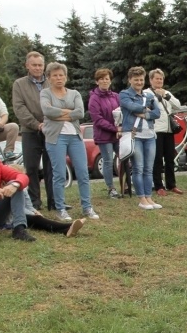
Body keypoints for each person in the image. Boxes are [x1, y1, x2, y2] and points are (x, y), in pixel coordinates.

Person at [40, 62, 100, 221]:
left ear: (66, 77)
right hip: (55, 138)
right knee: (59, 174)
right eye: (55, 75)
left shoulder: (74, 93)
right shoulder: (45, 93)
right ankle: (60, 208)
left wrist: (58, 114)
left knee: (83, 172)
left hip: (75, 137)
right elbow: (47, 111)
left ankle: (87, 207)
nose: (59, 78)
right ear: (49, 78)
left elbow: (80, 113)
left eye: (61, 75)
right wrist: (69, 112)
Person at [13, 51, 55, 211]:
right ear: (27, 66)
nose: (37, 68)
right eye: (34, 65)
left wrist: (51, 123)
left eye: (40, 65)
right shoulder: (19, 84)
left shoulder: (51, 82)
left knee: (52, 167)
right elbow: (19, 108)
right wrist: (36, 124)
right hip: (30, 131)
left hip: (51, 130)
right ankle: (34, 202)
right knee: (31, 168)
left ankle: (54, 201)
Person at [120, 66, 161, 210]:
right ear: (130, 80)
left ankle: (149, 197)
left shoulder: (148, 96)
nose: (139, 82)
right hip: (134, 135)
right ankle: (141, 199)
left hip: (150, 135)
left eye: (141, 80)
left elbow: (157, 113)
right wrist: (145, 109)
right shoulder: (124, 94)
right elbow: (130, 106)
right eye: (136, 80)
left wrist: (145, 114)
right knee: (138, 168)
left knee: (148, 169)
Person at [145, 68, 184, 197]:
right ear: (151, 80)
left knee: (170, 158)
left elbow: (178, 105)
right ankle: (158, 186)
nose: (159, 81)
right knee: (157, 159)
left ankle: (171, 185)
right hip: (156, 130)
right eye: (157, 79)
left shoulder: (167, 92)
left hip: (168, 130)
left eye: (161, 79)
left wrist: (166, 96)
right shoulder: (147, 93)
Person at [88, 68, 122, 199]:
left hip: (118, 134)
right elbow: (98, 120)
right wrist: (115, 128)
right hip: (103, 136)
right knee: (108, 161)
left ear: (110, 81)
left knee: (124, 158)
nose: (104, 81)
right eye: (101, 79)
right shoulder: (94, 99)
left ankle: (125, 184)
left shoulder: (116, 96)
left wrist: (120, 128)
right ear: (97, 82)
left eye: (107, 78)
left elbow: (121, 112)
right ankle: (111, 188)